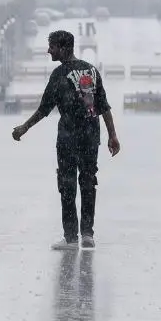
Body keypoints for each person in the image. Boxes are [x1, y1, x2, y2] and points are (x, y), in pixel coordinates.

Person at [12, 30, 120, 250]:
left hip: (69, 137)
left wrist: (24, 127)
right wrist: (112, 135)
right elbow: (103, 107)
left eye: (52, 46)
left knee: (67, 184)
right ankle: (88, 234)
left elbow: (44, 109)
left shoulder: (60, 74)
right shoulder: (91, 70)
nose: (49, 50)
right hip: (91, 135)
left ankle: (71, 238)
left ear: (63, 48)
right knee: (89, 182)